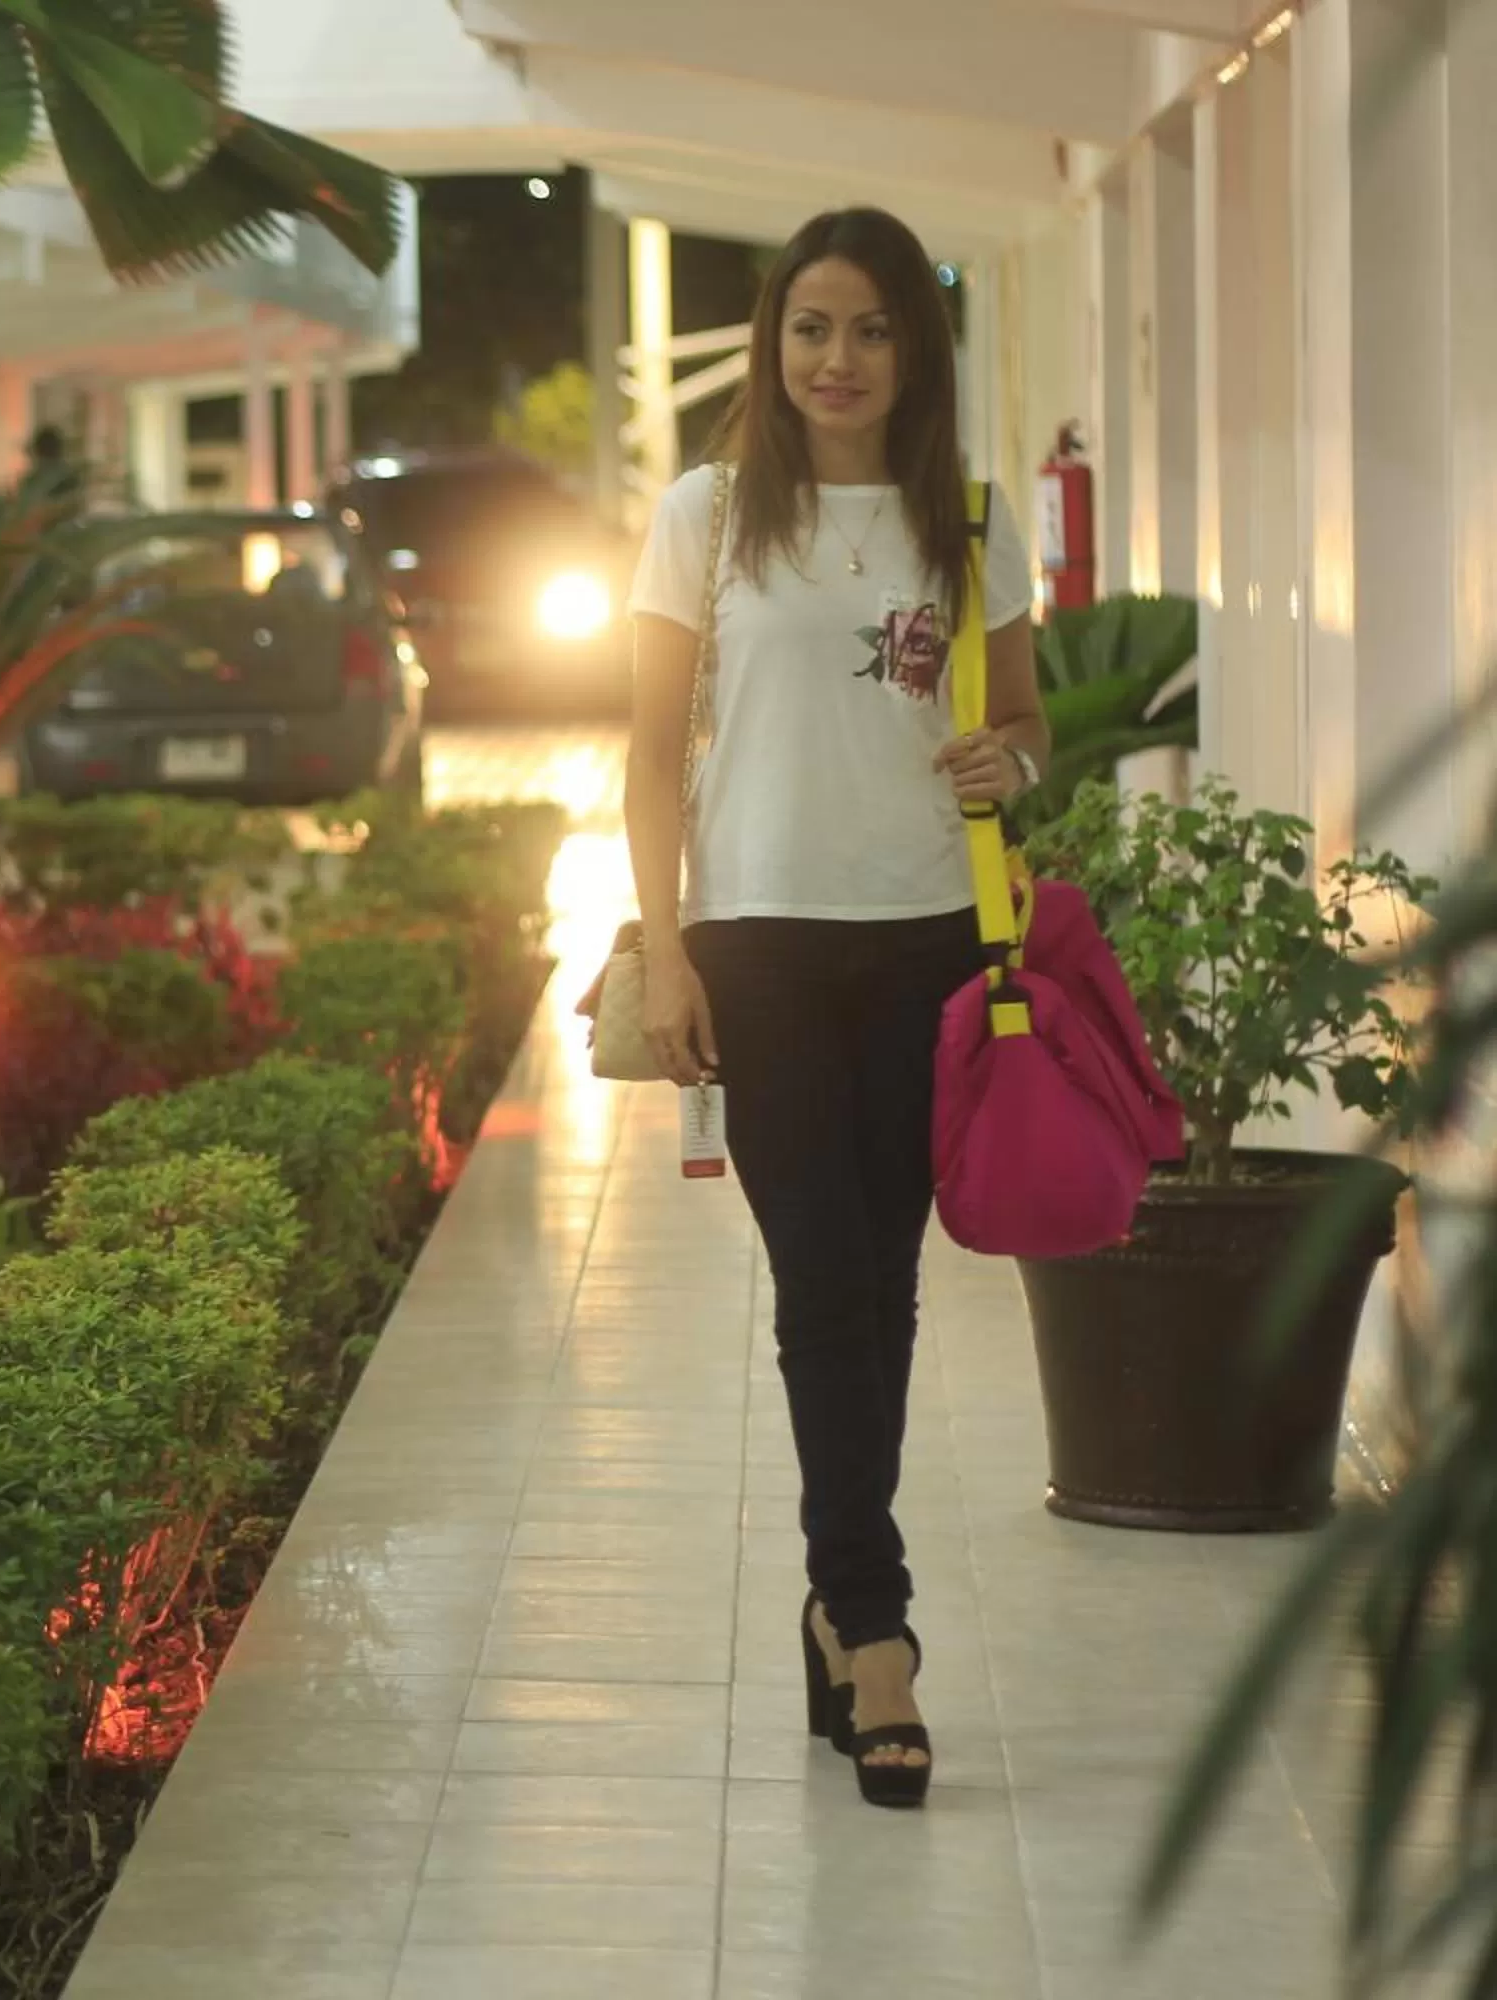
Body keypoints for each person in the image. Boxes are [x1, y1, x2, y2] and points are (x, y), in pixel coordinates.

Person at [621, 207, 1046, 1811]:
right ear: (771, 343)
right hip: (764, 944)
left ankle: (836, 1602)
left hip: (931, 934)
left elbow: (1023, 725)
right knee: (823, 1286)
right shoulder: (708, 514)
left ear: (911, 351)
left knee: (887, 1279)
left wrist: (1015, 761)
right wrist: (665, 948)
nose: (838, 360)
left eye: (870, 331)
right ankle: (877, 1631)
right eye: (811, 328)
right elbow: (652, 752)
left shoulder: (966, 516)